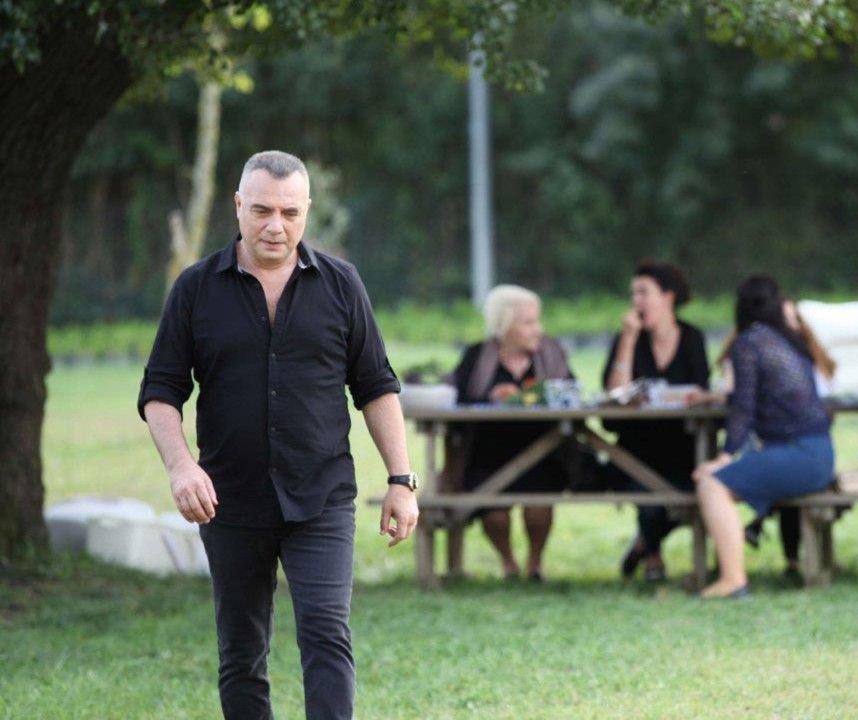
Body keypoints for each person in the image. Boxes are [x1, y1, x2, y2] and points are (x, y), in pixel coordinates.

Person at [139, 150, 417, 720]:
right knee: (242, 652)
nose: (276, 226)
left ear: (306, 211)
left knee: (327, 636)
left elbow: (376, 385)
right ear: (238, 206)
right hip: (230, 500)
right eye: (262, 210)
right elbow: (161, 389)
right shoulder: (195, 288)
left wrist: (401, 479)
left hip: (321, 496)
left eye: (290, 213)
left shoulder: (341, 284)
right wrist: (181, 466)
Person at [692, 276, 835, 598]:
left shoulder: (749, 342)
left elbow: (744, 408)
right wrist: (717, 399)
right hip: (818, 454)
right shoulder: (788, 341)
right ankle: (731, 573)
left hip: (798, 456)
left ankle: (732, 580)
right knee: (717, 482)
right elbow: (763, 395)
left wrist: (723, 457)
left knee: (712, 485)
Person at [449, 284, 574, 581]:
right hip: (488, 452)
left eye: (537, 321)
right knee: (494, 512)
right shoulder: (477, 356)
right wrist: (490, 397)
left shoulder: (552, 354)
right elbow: (457, 401)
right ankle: (508, 562)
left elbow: (571, 394)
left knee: (539, 503)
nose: (537, 329)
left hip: (543, 450)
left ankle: (534, 563)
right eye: (528, 323)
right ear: (504, 326)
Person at [605, 262, 710, 582]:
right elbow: (615, 394)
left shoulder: (692, 338)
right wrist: (627, 339)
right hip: (637, 444)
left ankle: (644, 544)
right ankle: (652, 554)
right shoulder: (628, 338)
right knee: (646, 487)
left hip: (684, 443)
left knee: (692, 490)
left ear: (668, 297)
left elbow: (701, 390)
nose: (636, 301)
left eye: (643, 293)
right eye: (633, 294)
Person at [741, 299, 837, 581]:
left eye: (794, 319)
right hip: (774, 446)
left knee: (785, 470)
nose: (790, 325)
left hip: (802, 451)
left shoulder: (808, 359)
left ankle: (763, 524)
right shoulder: (760, 356)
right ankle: (786, 552)